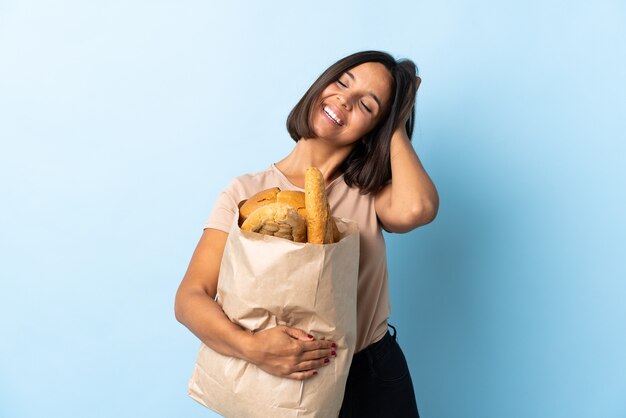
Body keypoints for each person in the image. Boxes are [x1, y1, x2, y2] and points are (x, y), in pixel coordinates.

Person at [175, 50, 439, 417]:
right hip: (281, 378)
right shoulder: (246, 192)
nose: (344, 101)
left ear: (374, 128)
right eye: (342, 83)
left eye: (366, 105)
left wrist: (395, 119)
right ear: (321, 86)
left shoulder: (371, 192)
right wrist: (251, 348)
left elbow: (418, 209)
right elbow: (190, 298)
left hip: (371, 377)